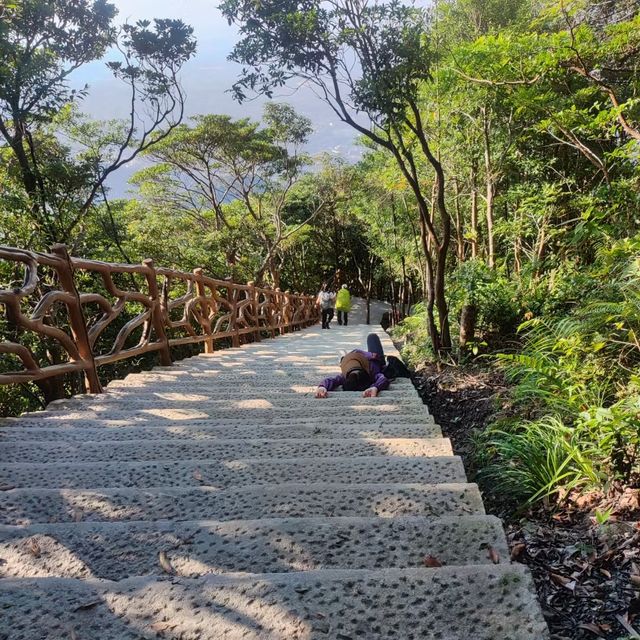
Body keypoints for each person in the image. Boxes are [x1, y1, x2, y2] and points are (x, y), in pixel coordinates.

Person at [315, 333, 390, 398]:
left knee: (345, 358)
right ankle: (343, 357)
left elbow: (331, 380)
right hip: (377, 360)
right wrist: (375, 387)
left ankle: (342, 358)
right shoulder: (372, 373)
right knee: (372, 336)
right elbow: (383, 379)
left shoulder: (345, 376)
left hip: (357, 359)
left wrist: (322, 386)